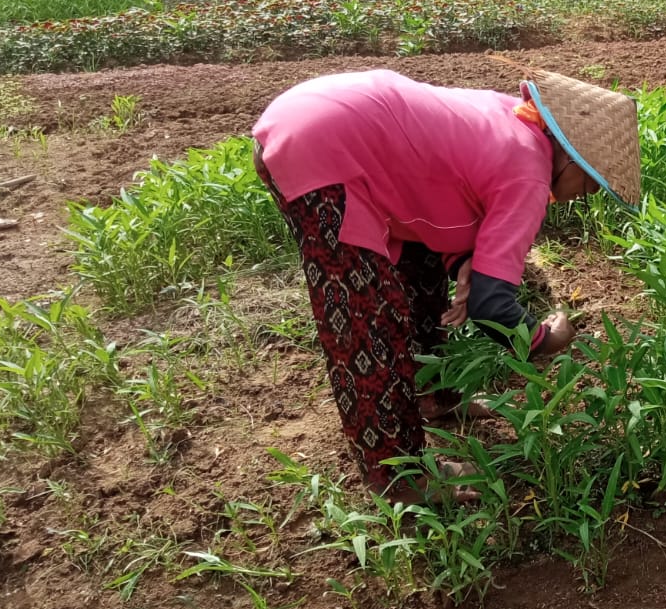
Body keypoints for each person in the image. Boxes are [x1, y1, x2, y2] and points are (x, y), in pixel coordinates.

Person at [251, 67, 641, 498]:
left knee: (418, 273)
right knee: (370, 322)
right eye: (585, 186)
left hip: (315, 121)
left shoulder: (512, 116)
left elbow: (441, 183)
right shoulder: (530, 173)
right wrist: (546, 338)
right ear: (570, 156)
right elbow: (492, 307)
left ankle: (435, 399)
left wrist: (465, 261)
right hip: (322, 152)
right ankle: (400, 478)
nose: (576, 198)